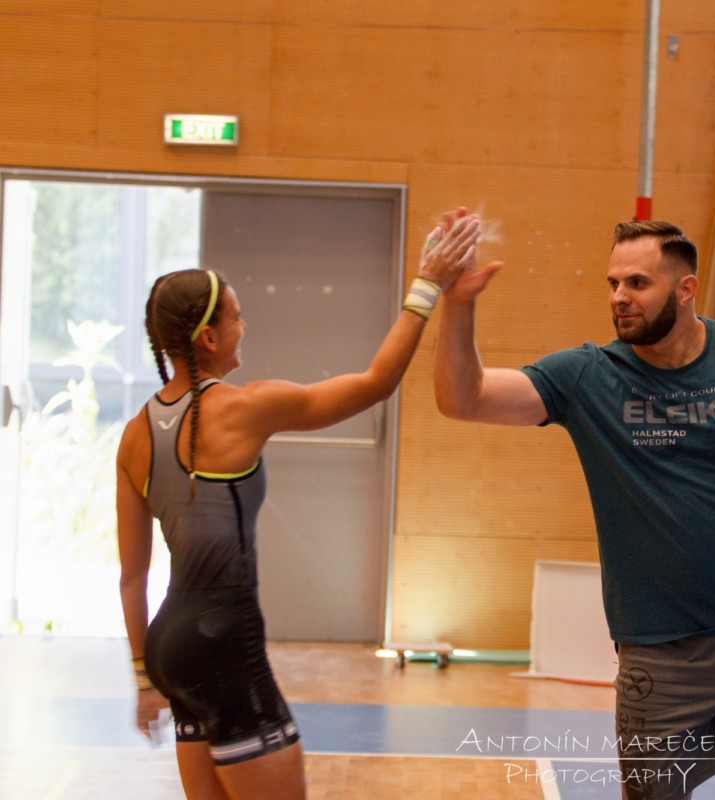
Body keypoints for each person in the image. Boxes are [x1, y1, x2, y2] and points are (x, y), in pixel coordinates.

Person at [434, 216, 715, 800]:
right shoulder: (588, 377)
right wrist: (458, 304)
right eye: (613, 283)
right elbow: (463, 399)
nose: (619, 297)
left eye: (637, 283)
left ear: (685, 289)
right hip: (659, 657)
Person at [115, 209, 481, 799]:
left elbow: (132, 577)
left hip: (168, 649)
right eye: (237, 316)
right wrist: (427, 285)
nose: (245, 326)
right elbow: (376, 382)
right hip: (222, 643)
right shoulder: (244, 407)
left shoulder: (134, 434)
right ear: (209, 338)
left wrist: (142, 678)